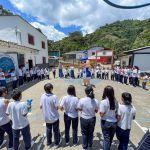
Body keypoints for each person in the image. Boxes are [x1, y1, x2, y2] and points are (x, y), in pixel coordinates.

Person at [77, 85, 99, 150]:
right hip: (92, 118)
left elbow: (79, 108)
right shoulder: (96, 101)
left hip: (84, 118)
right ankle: (89, 145)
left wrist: (83, 110)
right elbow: (96, 111)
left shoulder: (82, 100)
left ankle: (84, 146)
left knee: (84, 133)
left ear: (85, 92)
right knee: (91, 133)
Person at [40, 83, 61, 148]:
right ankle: (56, 143)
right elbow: (57, 107)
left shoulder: (42, 96)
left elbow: (40, 106)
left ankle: (49, 143)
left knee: (48, 130)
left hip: (46, 117)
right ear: (51, 89)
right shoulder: (54, 96)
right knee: (56, 131)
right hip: (54, 117)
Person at [99, 86, 118, 150]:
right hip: (114, 122)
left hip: (106, 122)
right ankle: (107, 147)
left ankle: (106, 147)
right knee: (110, 138)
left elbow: (101, 114)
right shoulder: (116, 101)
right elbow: (117, 112)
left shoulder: (104, 102)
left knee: (106, 138)